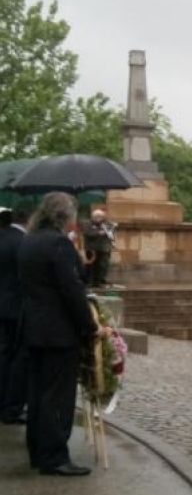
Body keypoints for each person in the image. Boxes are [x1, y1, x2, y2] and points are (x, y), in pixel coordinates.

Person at [19, 192, 109, 476]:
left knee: (37, 393)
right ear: (65, 216)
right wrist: (91, 326)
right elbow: (71, 291)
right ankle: (55, 456)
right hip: (57, 332)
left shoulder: (30, 240)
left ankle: (38, 450)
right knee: (57, 396)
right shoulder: (58, 244)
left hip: (33, 327)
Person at [0, 205, 30, 424]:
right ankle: (11, 407)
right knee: (16, 359)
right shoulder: (23, 242)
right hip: (16, 308)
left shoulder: (3, 237)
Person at [82, 208, 115, 287]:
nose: (98, 219)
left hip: (104, 248)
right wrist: (99, 233)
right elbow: (87, 233)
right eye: (97, 217)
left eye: (100, 217)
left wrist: (110, 234)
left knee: (103, 265)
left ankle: (100, 280)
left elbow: (111, 233)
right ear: (93, 217)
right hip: (91, 248)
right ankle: (89, 281)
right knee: (91, 265)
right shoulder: (87, 223)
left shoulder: (106, 224)